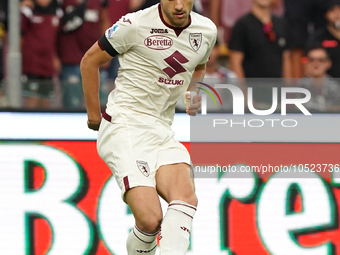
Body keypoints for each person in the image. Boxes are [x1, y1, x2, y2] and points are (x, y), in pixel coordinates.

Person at [80, 0, 216, 254]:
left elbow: (200, 64)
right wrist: (93, 115)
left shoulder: (206, 30)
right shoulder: (134, 24)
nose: (178, 5)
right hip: (125, 124)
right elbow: (89, 61)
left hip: (162, 127)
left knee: (185, 198)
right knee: (150, 219)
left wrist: (191, 92)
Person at [57, 0, 110, 110]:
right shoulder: (61, 3)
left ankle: (100, 127)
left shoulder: (98, 2)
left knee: (101, 104)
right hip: (70, 58)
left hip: (96, 60)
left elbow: (104, 21)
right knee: (72, 104)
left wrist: (107, 51)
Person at [21, 0, 62, 109]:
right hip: (31, 63)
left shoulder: (57, 10)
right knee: (32, 97)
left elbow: (57, 38)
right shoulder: (27, 10)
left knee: (46, 98)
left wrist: (56, 56)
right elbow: (20, 37)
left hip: (48, 63)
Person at [297, 46, 340, 112]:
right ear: (306, 62)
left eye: (321, 60)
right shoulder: (298, 88)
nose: (316, 63)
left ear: (328, 63)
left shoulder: (336, 88)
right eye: (311, 60)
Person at [306, 0, 340, 78]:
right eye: (332, 10)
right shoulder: (317, 39)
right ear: (325, 14)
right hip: (327, 87)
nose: (337, 14)